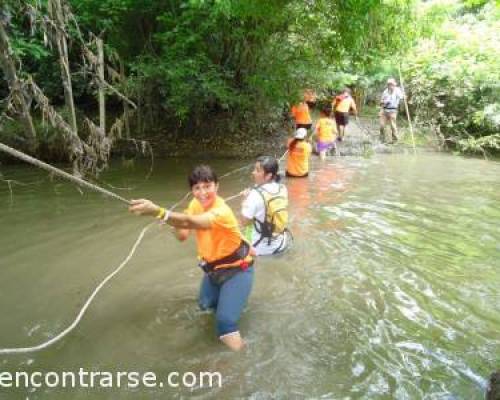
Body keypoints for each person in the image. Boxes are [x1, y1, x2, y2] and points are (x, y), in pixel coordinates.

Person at [129, 165, 254, 351]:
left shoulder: (222, 211)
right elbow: (182, 235)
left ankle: (242, 361)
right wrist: (169, 221)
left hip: (237, 271)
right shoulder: (195, 205)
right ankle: (228, 311)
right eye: (197, 188)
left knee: (225, 323)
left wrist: (159, 212)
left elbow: (190, 222)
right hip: (212, 271)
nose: (202, 192)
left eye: (207, 186)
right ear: (192, 190)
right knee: (205, 307)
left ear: (217, 186)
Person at [240, 156, 291, 256]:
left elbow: (244, 222)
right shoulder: (282, 188)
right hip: (281, 243)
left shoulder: (254, 195)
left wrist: (244, 200)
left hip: (260, 249)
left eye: (257, 170)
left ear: (268, 175)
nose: (253, 172)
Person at [379, 78, 404, 143]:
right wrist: (384, 103)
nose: (390, 86)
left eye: (391, 84)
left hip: (393, 111)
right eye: (389, 84)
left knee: (393, 126)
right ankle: (382, 139)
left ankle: (395, 140)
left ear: (394, 84)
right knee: (382, 125)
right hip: (384, 110)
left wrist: (403, 96)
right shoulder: (385, 91)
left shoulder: (397, 90)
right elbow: (381, 102)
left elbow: (402, 97)